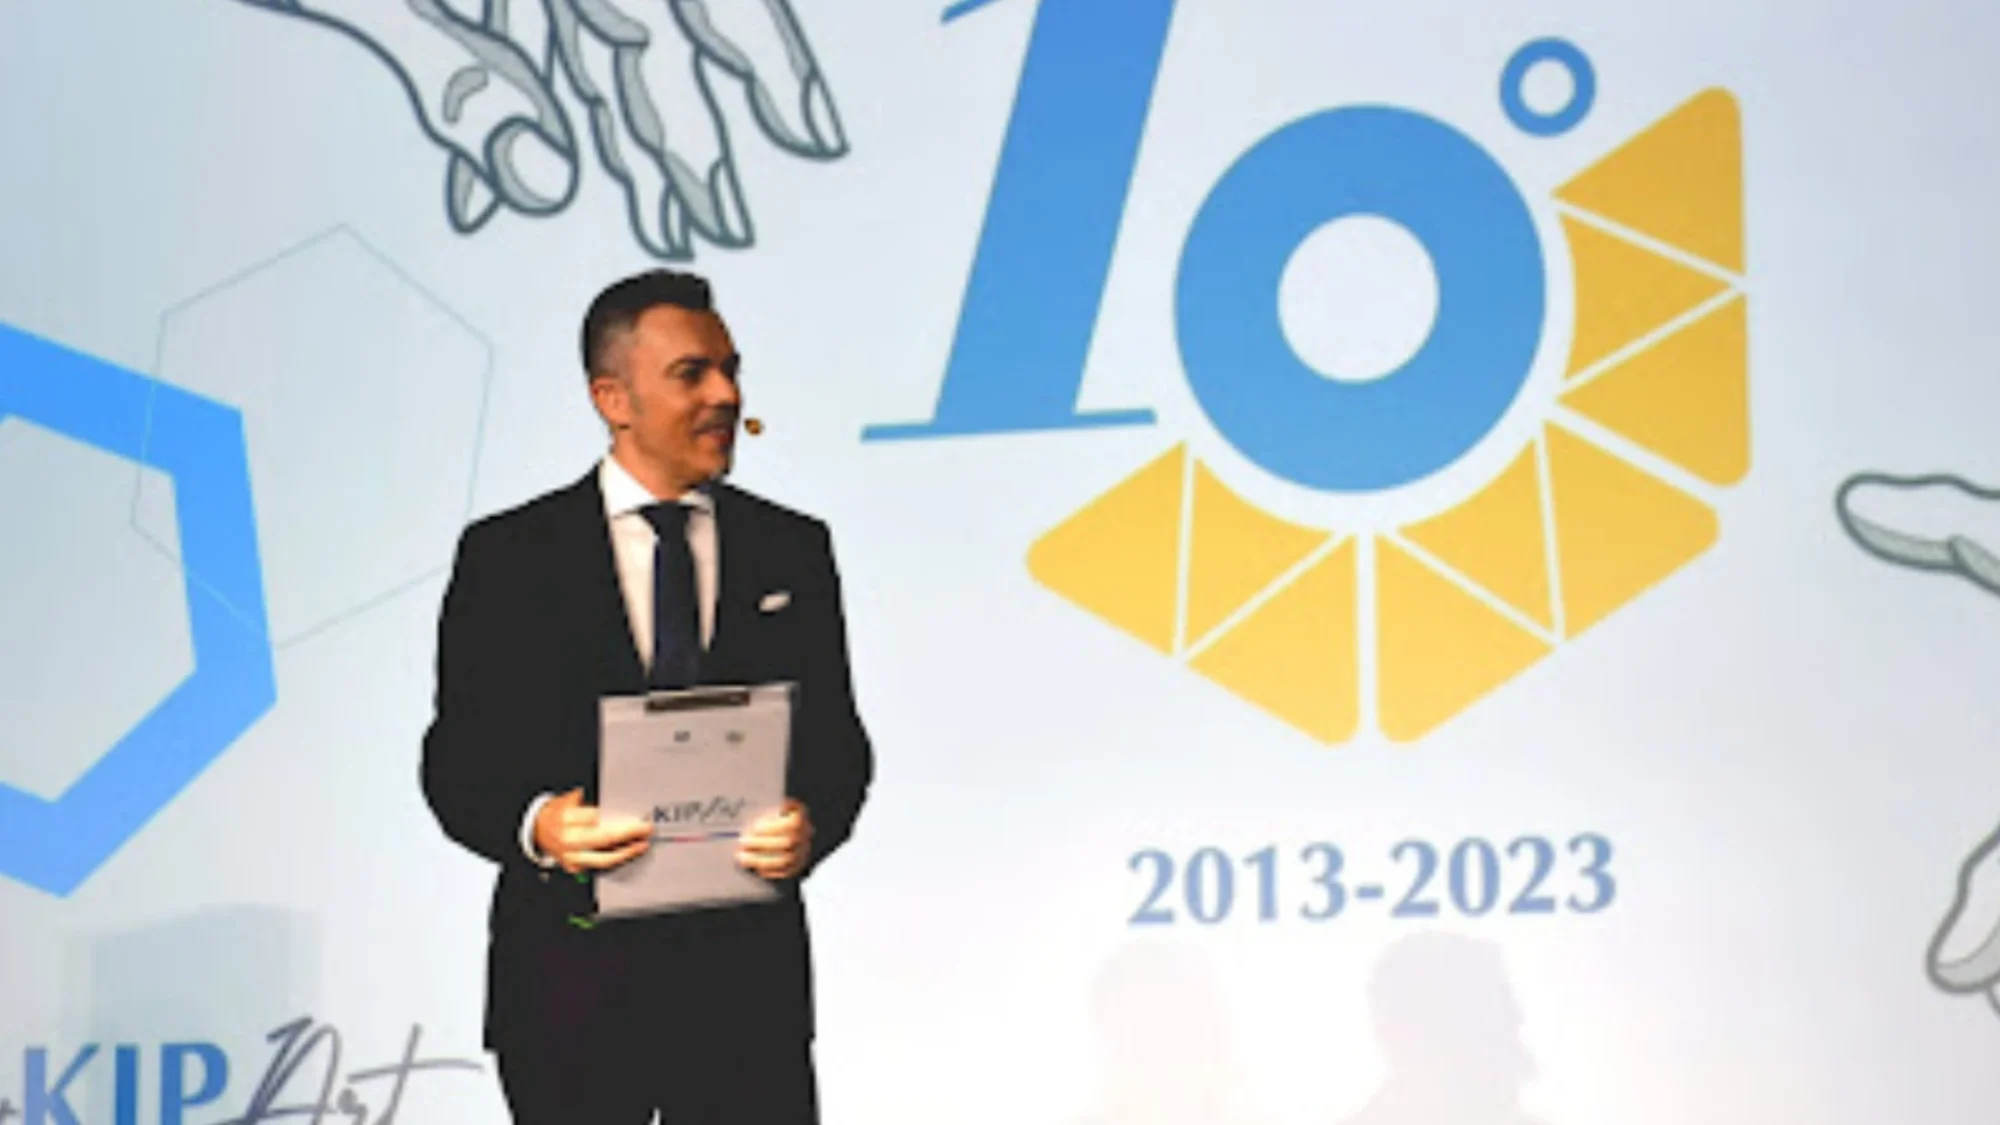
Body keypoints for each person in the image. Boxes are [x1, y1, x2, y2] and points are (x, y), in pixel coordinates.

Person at [419, 268, 874, 1123]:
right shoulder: (510, 556)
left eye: (731, 370)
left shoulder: (793, 548)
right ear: (612, 398)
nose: (726, 395)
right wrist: (539, 824)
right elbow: (458, 760)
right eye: (692, 373)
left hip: (748, 993)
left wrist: (810, 822)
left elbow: (840, 748)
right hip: (569, 991)